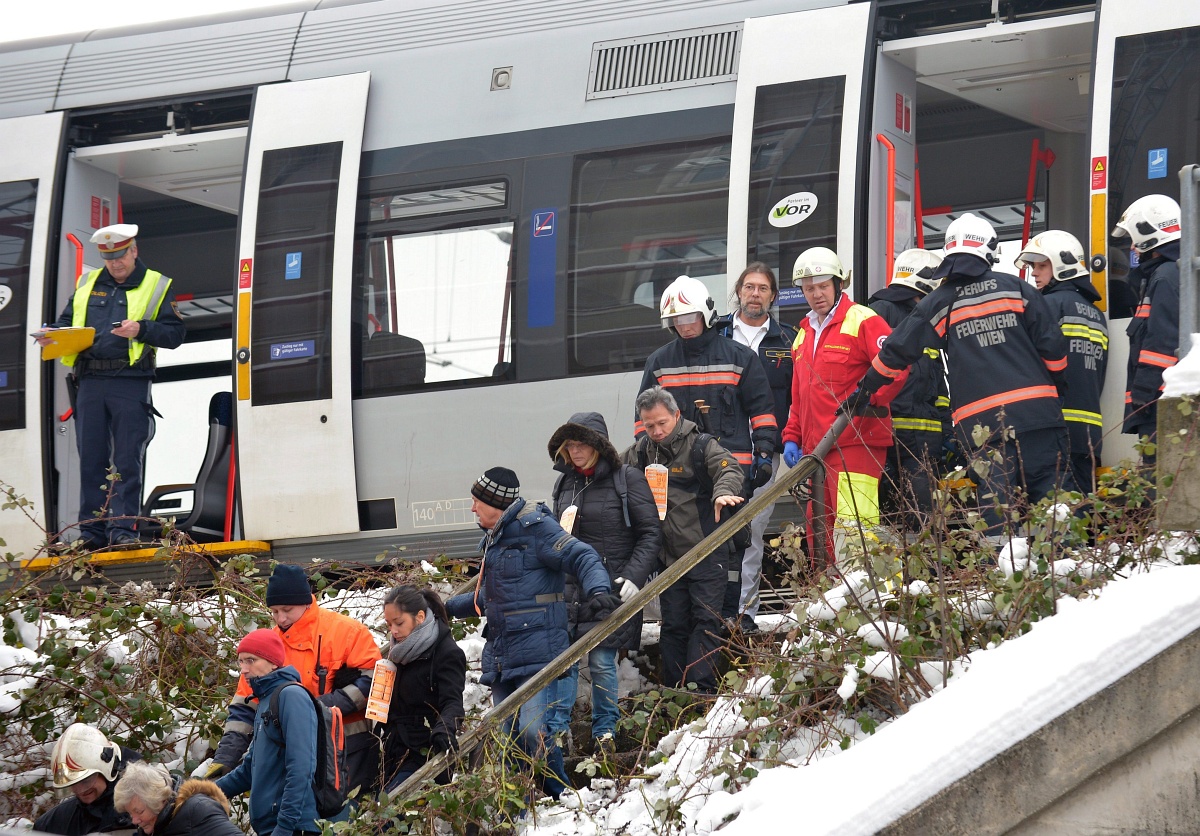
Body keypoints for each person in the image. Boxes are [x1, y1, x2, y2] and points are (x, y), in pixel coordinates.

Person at [843, 213, 1074, 541]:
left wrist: (864, 391)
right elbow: (1053, 349)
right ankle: (1063, 576)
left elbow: (895, 352)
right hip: (1040, 419)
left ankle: (1007, 581)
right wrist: (1056, 390)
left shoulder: (939, 302)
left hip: (985, 430)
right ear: (990, 250)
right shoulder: (1018, 289)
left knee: (999, 511)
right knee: (1055, 506)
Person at [444, 468, 615, 801]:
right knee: (507, 736)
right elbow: (490, 597)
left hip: (539, 650)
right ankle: (523, 802)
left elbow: (582, 555)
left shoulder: (537, 528)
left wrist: (598, 591)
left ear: (497, 503)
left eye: (478, 501)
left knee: (532, 729)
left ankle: (560, 793)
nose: (472, 508)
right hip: (503, 653)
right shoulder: (494, 540)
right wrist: (446, 607)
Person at [36, 223, 185, 549]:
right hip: (89, 382)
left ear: (133, 250)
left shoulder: (157, 284)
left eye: (120, 256)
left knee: (127, 461)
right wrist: (52, 334)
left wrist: (142, 329)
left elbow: (175, 335)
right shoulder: (88, 282)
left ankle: (122, 532)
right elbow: (66, 323)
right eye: (109, 258)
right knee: (91, 460)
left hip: (129, 382)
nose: (115, 264)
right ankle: (92, 535)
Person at [637, 274, 777, 619]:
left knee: (734, 547)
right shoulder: (659, 361)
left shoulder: (740, 357)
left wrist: (763, 454)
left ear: (706, 314)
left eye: (689, 317)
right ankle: (688, 620)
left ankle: (734, 617)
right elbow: (643, 422)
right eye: (676, 320)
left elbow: (762, 410)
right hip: (677, 480)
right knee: (678, 548)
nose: (683, 326)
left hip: (730, 475)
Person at [206, 564, 381, 803]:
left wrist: (317, 709)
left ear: (307, 602)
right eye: (275, 611)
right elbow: (244, 707)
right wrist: (224, 758)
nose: (281, 618)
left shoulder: (346, 632)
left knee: (347, 820)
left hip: (349, 750)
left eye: (287, 610)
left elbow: (375, 681)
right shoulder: (267, 645)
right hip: (294, 756)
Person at [781, 247, 906, 567]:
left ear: (839, 284)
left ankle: (871, 605)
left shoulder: (863, 320)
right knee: (818, 535)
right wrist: (792, 436)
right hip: (816, 452)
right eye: (809, 288)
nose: (816, 294)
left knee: (856, 532)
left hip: (856, 443)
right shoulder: (802, 335)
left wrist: (870, 401)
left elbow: (898, 366)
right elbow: (799, 396)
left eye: (823, 285)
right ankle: (830, 606)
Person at [546, 412, 661, 756]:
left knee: (600, 662)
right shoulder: (564, 484)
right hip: (569, 589)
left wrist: (635, 577)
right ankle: (556, 734)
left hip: (610, 588)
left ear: (598, 445)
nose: (576, 451)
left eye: (582, 444)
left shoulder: (628, 479)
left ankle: (605, 733)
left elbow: (650, 534)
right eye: (570, 445)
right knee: (563, 662)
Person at [622, 386, 744, 694]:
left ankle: (699, 690)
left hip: (705, 550)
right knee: (674, 625)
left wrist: (723, 492)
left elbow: (728, 469)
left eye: (662, 423)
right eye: (649, 426)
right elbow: (610, 468)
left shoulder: (701, 445)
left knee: (705, 620)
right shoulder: (639, 453)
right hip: (668, 558)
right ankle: (675, 690)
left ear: (677, 415)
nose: (657, 431)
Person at [715, 263, 799, 631]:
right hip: (720, 450)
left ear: (773, 296)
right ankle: (717, 609)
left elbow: (799, 394)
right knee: (716, 531)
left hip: (766, 449)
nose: (755, 294)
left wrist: (792, 436)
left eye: (762, 288)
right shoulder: (717, 334)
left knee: (752, 531)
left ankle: (745, 612)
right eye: (749, 287)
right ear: (738, 291)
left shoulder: (788, 339)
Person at [1017, 230, 1108, 493]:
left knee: (1056, 511)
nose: (1034, 273)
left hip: (1054, 425)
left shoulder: (1046, 305)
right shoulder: (1095, 313)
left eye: (1042, 265)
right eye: (1034, 266)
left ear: (1062, 264)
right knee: (1083, 505)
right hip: (1089, 427)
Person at [868, 249, 950, 532]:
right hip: (897, 441)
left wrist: (946, 428)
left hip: (919, 442)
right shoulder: (881, 314)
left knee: (914, 523)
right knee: (915, 524)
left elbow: (938, 384)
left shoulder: (925, 318)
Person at [215, 629, 320, 836]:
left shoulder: (291, 696)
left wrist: (285, 826)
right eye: (241, 661)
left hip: (294, 828)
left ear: (273, 662)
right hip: (273, 826)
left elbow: (302, 767)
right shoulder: (265, 700)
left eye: (251, 660)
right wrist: (203, 793)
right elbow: (249, 769)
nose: (244, 669)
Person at [1113, 194, 1183, 471]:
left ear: (1150, 234)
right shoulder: (1166, 274)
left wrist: (1143, 392)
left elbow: (1162, 341)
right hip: (1161, 401)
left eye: (1134, 238)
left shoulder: (1165, 276)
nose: (1132, 246)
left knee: (1155, 481)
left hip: (1158, 403)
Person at [378, 585, 467, 793]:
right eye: (389, 624)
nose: (394, 631)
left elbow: (453, 701)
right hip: (393, 751)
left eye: (399, 623)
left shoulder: (447, 653)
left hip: (424, 752)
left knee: (383, 820)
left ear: (419, 617)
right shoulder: (398, 653)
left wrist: (445, 729)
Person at [35, 723, 141, 836]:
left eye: (86, 781)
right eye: (73, 783)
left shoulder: (146, 805)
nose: (81, 790)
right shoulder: (51, 825)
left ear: (108, 769)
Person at [113, 761, 242, 836]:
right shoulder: (157, 827)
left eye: (139, 812)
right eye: (130, 814)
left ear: (159, 800)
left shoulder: (197, 811)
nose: (135, 821)